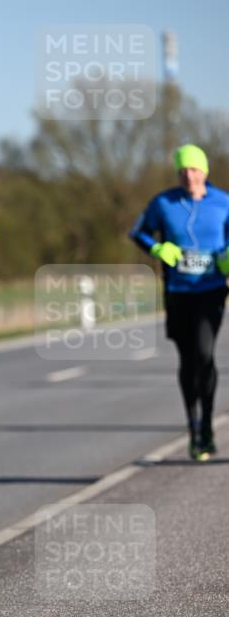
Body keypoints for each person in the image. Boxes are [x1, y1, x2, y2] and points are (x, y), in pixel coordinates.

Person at [130, 144, 229, 460]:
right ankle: (194, 425)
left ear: (205, 171)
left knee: (204, 353)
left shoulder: (223, 203)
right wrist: (157, 249)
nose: (189, 175)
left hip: (211, 289)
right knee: (188, 361)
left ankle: (208, 427)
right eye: (183, 170)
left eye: (194, 169)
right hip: (178, 292)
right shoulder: (163, 203)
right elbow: (139, 232)